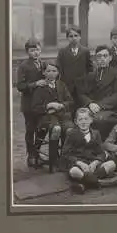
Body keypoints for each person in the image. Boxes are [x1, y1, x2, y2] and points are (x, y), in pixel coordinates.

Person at [60, 108, 117, 194]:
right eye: (80, 119)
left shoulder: (96, 133)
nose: (83, 122)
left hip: (92, 164)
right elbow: (65, 153)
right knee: (74, 171)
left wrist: (95, 163)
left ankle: (84, 183)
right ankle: (102, 183)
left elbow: (101, 153)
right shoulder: (72, 134)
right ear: (76, 121)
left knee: (112, 164)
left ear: (91, 120)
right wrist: (79, 163)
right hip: (78, 164)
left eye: (86, 119)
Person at [76, 45, 117, 140]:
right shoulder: (91, 75)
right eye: (99, 56)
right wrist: (90, 103)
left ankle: (102, 147)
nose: (102, 59)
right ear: (95, 59)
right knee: (82, 119)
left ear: (110, 58)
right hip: (92, 108)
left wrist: (100, 105)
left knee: (100, 120)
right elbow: (82, 93)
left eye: (105, 56)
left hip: (110, 109)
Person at [31, 62, 74, 158]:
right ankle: (54, 156)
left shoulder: (61, 85)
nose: (51, 73)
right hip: (47, 117)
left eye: (54, 71)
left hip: (62, 116)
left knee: (70, 130)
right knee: (56, 129)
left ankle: (65, 155)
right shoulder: (40, 87)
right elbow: (35, 108)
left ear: (58, 72)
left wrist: (62, 105)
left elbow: (70, 101)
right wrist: (48, 105)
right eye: (48, 71)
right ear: (44, 73)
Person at [16, 38, 47, 167]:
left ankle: (37, 151)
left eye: (37, 50)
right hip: (29, 104)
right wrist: (35, 84)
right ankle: (31, 156)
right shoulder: (24, 66)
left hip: (41, 103)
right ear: (27, 52)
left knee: (43, 127)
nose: (35, 53)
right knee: (30, 130)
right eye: (32, 50)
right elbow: (20, 86)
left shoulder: (43, 64)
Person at [56, 25, 94, 109]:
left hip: (82, 87)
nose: (74, 38)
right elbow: (59, 69)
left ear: (80, 37)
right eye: (71, 36)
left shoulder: (85, 51)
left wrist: (86, 81)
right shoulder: (62, 52)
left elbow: (90, 68)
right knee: (70, 108)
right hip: (68, 86)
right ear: (67, 38)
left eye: (76, 36)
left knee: (82, 108)